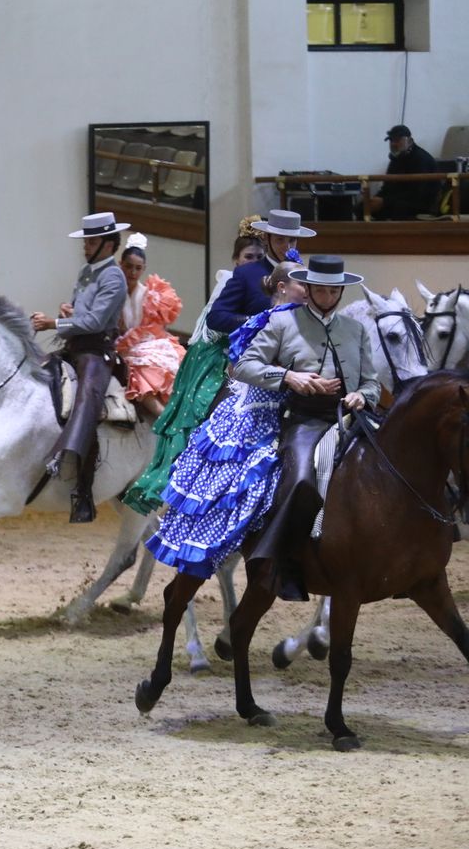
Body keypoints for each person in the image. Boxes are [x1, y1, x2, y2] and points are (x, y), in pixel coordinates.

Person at [144, 261, 309, 576]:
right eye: (302, 283)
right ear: (282, 288)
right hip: (256, 412)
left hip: (291, 407)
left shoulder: (305, 323)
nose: (309, 290)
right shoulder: (261, 320)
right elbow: (237, 365)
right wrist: (287, 377)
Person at [233, 254, 380, 600]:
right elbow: (243, 365)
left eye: (334, 292)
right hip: (305, 420)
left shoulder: (355, 330)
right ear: (310, 288)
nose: (328, 298)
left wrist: (362, 395)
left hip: (351, 418)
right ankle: (285, 562)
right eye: (322, 291)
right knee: (300, 478)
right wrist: (289, 377)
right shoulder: (283, 324)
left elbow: (372, 383)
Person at [125, 226, 263, 514]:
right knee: (198, 406)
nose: (253, 261)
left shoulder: (267, 282)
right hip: (215, 353)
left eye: (258, 257)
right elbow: (214, 325)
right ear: (236, 259)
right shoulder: (230, 281)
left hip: (252, 353)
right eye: (248, 256)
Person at [30, 212, 129, 524]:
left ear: (109, 244)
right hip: (76, 347)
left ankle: (82, 488)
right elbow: (84, 313)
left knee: (87, 399)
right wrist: (69, 310)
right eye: (87, 241)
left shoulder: (113, 277)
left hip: (97, 352)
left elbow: (96, 322)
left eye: (93, 241)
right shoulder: (87, 271)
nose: (86, 246)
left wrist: (53, 322)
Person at [205, 208, 314, 336]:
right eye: (280, 240)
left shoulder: (304, 276)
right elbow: (216, 317)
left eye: (292, 240)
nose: (287, 247)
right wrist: (256, 321)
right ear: (266, 239)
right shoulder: (246, 274)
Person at [113, 234, 186, 421]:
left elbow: (159, 325)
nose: (132, 272)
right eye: (128, 267)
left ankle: (173, 411)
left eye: (138, 268)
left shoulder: (150, 295)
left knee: (162, 362)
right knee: (138, 368)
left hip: (149, 341)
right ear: (121, 264)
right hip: (123, 346)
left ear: (144, 269)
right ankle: (162, 416)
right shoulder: (113, 291)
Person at [365, 124, 443, 221]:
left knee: (399, 209)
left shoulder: (421, 159)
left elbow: (417, 193)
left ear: (409, 141)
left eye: (397, 140)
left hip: (421, 204)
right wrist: (375, 200)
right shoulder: (396, 159)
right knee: (362, 207)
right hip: (397, 201)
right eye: (391, 140)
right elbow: (387, 188)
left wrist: (384, 201)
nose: (393, 144)